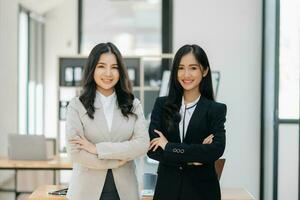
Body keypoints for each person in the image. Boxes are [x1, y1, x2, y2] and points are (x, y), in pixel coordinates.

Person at [66, 42, 149, 200]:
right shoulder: (76, 106)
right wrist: (116, 161)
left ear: (121, 71)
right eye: (101, 66)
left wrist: (96, 148)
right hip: (85, 191)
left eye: (114, 67)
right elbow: (76, 153)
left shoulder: (133, 104)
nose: (108, 73)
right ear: (92, 69)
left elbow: (142, 145)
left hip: (125, 191)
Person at [148, 44, 227, 200]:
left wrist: (168, 146)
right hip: (167, 190)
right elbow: (153, 149)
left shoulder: (215, 109)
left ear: (204, 71)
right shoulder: (162, 105)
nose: (186, 74)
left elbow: (216, 150)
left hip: (202, 191)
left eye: (193, 68)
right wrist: (196, 154)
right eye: (181, 68)